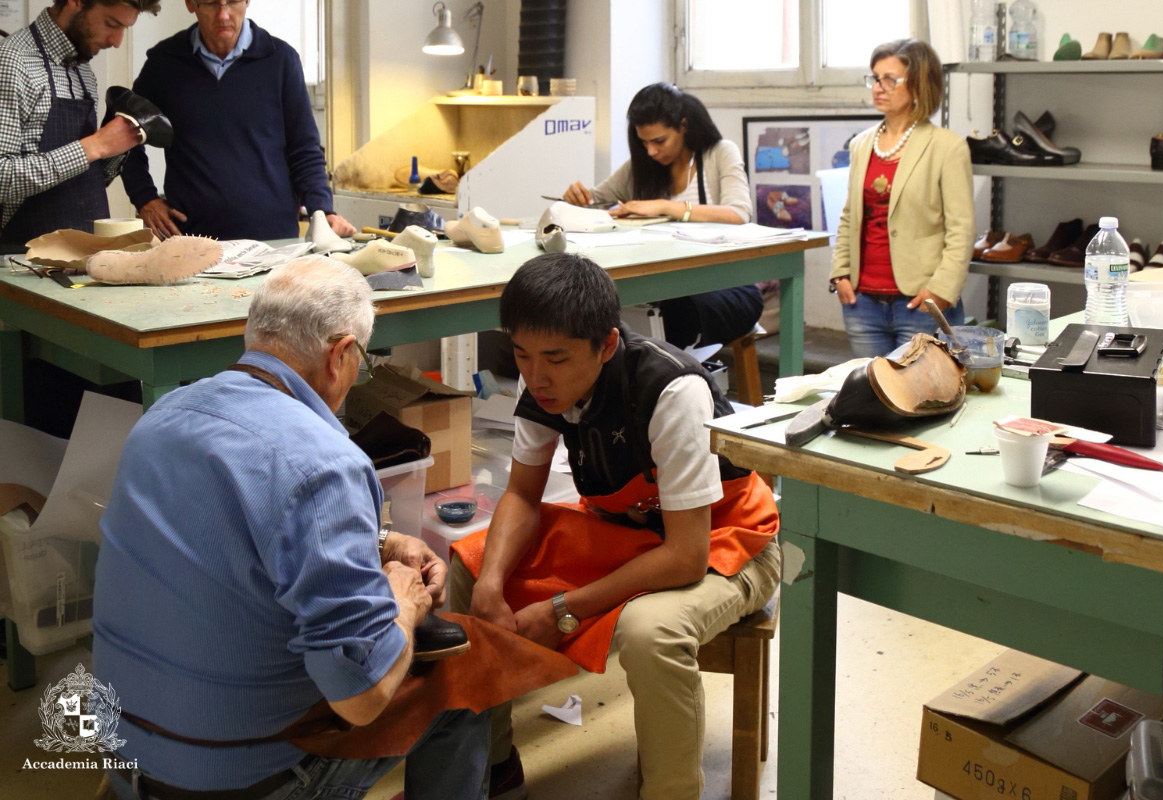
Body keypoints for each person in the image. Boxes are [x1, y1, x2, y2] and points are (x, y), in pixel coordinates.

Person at [92, 257, 489, 800]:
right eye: (362, 363)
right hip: (241, 782)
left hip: (127, 762)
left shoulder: (162, 417)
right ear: (342, 354)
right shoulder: (326, 463)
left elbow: (235, 539)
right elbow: (361, 695)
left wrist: (376, 542)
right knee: (460, 691)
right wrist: (404, 602)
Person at [450, 252, 781, 800]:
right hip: (626, 536)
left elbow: (685, 557)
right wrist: (490, 582)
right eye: (522, 354)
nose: (536, 375)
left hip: (725, 540)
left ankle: (670, 792)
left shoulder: (671, 389)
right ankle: (493, 766)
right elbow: (522, 496)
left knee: (652, 632)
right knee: (467, 566)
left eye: (554, 358)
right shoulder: (543, 383)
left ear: (606, 344)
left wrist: (565, 609)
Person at [118, 0, 355, 241]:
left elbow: (304, 149)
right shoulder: (165, 62)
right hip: (190, 242)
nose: (223, 15)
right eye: (211, 4)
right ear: (191, 4)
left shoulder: (281, 60)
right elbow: (120, 132)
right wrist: (145, 198)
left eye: (232, 2)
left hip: (273, 240)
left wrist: (323, 211)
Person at [562, 82, 763, 350]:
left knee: (670, 312)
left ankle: (662, 377)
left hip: (723, 284)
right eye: (643, 142)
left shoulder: (719, 153)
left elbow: (739, 213)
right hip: (664, 284)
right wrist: (577, 198)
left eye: (659, 141)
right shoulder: (642, 166)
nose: (651, 152)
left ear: (683, 126)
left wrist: (666, 207)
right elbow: (595, 200)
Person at [830, 38, 974, 358]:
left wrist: (942, 291)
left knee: (923, 400)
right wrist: (840, 273)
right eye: (875, 78)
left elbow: (961, 229)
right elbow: (850, 216)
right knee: (876, 397)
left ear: (920, 84)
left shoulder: (947, 147)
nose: (879, 87)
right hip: (862, 303)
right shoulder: (861, 144)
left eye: (890, 79)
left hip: (921, 304)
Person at [0, 0, 159, 249]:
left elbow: (84, 183)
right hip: (23, 264)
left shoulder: (83, 72)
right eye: (111, 24)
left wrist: (119, 145)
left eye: (124, 29)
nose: (116, 41)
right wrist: (93, 146)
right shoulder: (11, 61)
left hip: (84, 260)